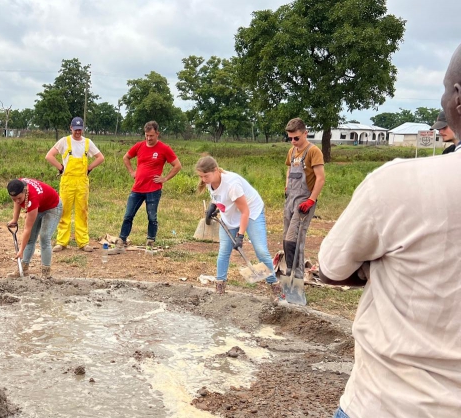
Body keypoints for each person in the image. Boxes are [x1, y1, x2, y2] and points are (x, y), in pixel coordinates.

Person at [319, 43, 461, 418]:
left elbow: (332, 269)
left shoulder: (397, 184)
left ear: (457, 99)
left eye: (446, 88)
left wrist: (374, 268)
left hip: (388, 403)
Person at [197, 156, 282, 300]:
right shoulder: (209, 182)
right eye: (201, 176)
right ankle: (220, 285)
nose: (204, 179)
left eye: (206, 176)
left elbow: (245, 211)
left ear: (216, 170)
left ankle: (275, 286)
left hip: (251, 212)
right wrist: (213, 205)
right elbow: (218, 196)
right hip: (229, 215)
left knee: (261, 250)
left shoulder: (232, 184)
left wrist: (240, 236)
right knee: (224, 250)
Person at [109, 121, 182, 254]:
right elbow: (126, 157)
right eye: (146, 135)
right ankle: (121, 241)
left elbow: (177, 165)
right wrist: (132, 172)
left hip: (153, 189)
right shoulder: (139, 146)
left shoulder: (164, 148)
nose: (148, 138)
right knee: (128, 215)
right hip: (137, 188)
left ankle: (150, 242)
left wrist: (165, 178)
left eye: (151, 135)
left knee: (152, 217)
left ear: (157, 134)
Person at [45, 116, 105, 253]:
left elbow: (101, 157)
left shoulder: (88, 143)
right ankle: (61, 242)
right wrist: (61, 168)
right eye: (75, 129)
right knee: (64, 211)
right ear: (71, 128)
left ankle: (83, 242)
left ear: (83, 129)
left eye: (80, 129)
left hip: (82, 182)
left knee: (82, 211)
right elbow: (49, 155)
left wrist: (89, 168)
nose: (78, 132)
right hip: (67, 182)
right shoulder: (64, 141)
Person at [282, 118, 325, 280]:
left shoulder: (313, 151)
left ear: (305, 133)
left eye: (296, 138)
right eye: (290, 138)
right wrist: (287, 188)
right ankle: (289, 272)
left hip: (305, 202)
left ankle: (297, 275)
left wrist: (311, 200)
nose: (293, 142)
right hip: (290, 199)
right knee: (286, 239)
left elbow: (320, 178)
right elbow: (289, 171)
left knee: (295, 239)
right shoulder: (292, 152)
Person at [5, 178, 62, 279]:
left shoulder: (32, 197)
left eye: (19, 198)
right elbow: (17, 202)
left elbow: (28, 228)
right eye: (14, 199)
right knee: (31, 239)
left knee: (44, 237)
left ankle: (46, 273)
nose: (17, 201)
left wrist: (21, 250)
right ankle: (23, 269)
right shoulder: (17, 185)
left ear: (24, 191)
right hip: (38, 206)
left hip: (52, 207)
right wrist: (15, 219)